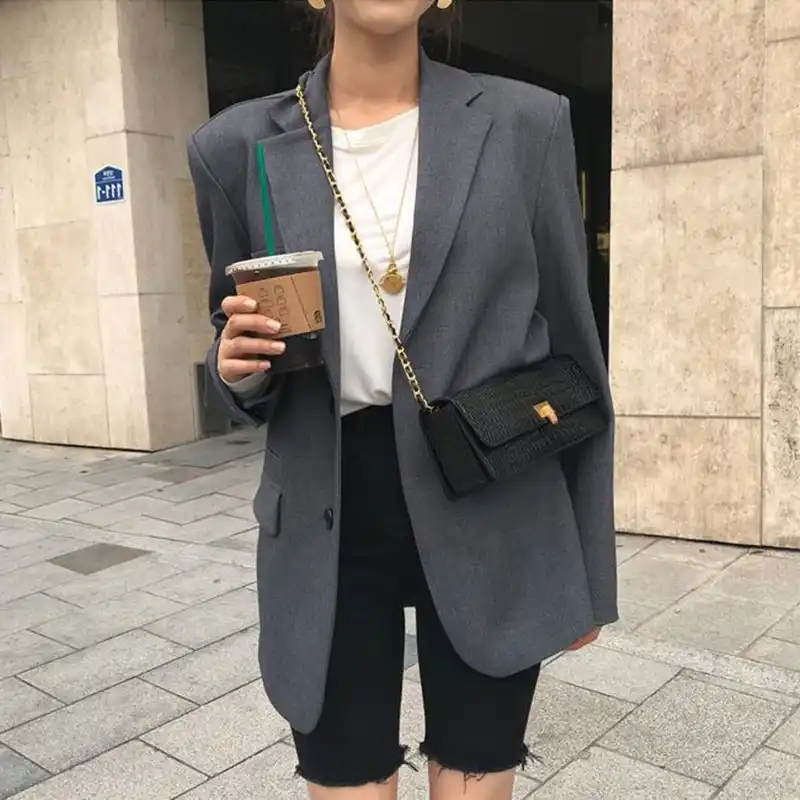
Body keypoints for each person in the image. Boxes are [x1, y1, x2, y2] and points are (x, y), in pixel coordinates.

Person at [187, 1, 617, 797]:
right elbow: (239, 337)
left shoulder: (527, 124)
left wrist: (590, 564)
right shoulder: (233, 147)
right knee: (345, 771)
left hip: (493, 487)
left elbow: (576, 353)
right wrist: (236, 365)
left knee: (477, 769)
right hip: (328, 509)